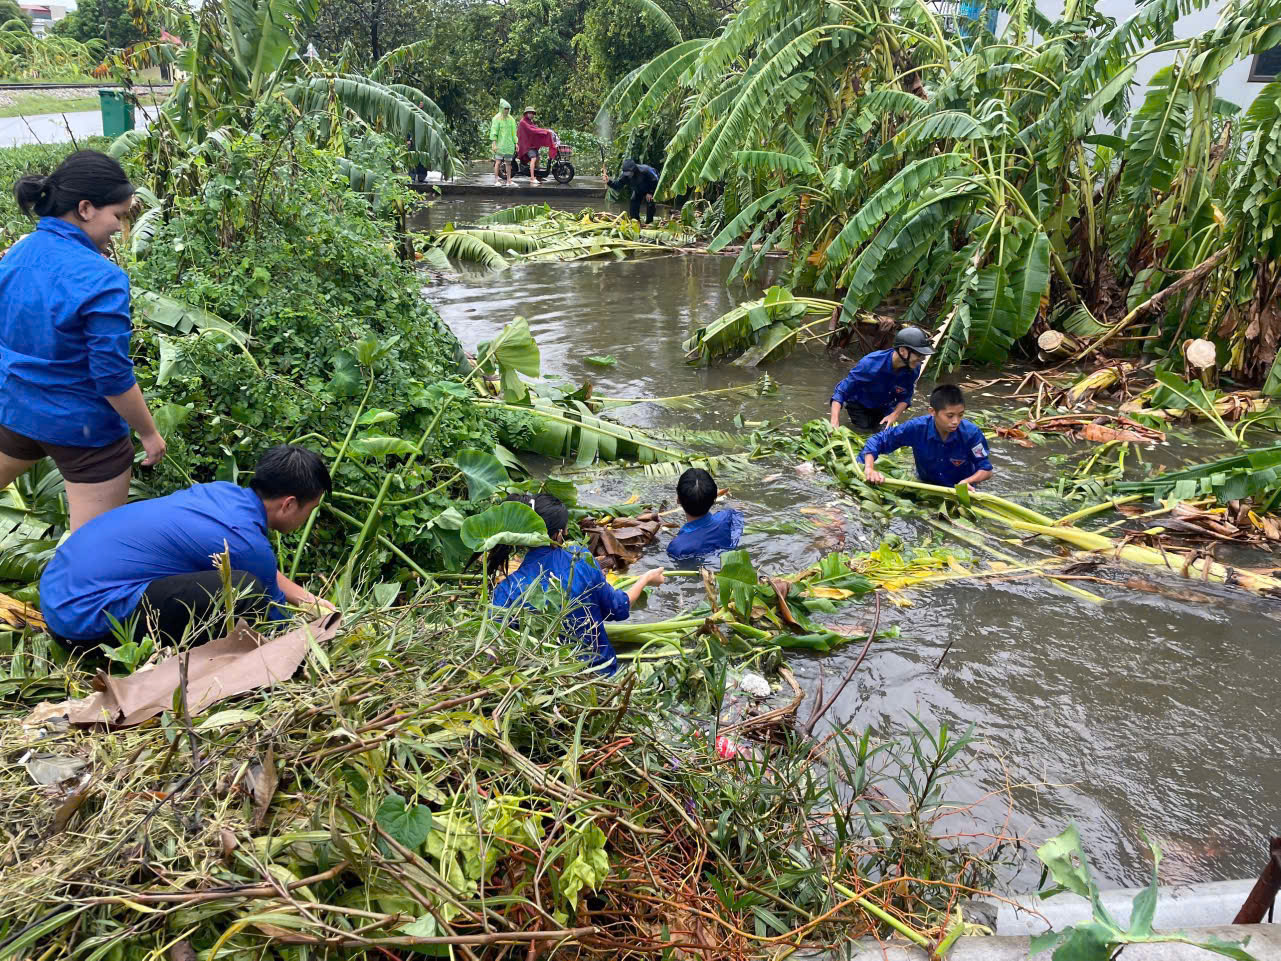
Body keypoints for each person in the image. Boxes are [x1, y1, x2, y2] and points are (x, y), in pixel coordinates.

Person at [0, 150, 166, 530]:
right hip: (83, 432)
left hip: (15, 410)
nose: (120, 228)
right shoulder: (101, 278)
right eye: (119, 216)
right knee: (91, 554)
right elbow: (111, 377)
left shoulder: (18, 252)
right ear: (87, 208)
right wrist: (148, 433)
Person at [39, 445, 333, 650]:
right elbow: (275, 621)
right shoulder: (246, 544)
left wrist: (310, 601)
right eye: (312, 508)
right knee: (246, 592)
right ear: (289, 504)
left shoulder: (221, 494)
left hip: (58, 595)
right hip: (81, 629)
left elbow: (260, 566)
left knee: (240, 580)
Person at [491, 494, 665, 675]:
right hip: (600, 674)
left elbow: (495, 650)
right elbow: (617, 608)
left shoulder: (506, 590)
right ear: (560, 533)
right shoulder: (580, 559)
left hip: (548, 684)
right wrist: (645, 579)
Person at [860, 384, 994, 489]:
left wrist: (967, 482)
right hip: (925, 485)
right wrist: (869, 469)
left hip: (961, 489)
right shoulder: (917, 428)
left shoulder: (971, 434)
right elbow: (877, 440)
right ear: (932, 412)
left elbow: (986, 469)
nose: (955, 421)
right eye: (950, 415)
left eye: (960, 415)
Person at [829, 326, 932, 432]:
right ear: (902, 351)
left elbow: (906, 396)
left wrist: (894, 415)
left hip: (884, 406)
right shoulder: (870, 363)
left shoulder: (914, 368)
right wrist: (834, 421)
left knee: (884, 435)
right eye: (919, 354)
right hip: (859, 404)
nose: (923, 359)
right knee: (864, 430)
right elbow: (841, 392)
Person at [668, 468, 744, 561]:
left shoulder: (677, 548)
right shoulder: (728, 517)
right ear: (715, 499)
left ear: (678, 499)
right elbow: (737, 510)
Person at [604, 158, 659, 224]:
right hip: (638, 189)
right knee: (633, 203)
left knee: (650, 202)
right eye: (626, 173)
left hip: (650, 187)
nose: (628, 175)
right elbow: (618, 186)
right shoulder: (624, 176)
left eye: (629, 172)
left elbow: (656, 180)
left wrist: (650, 192)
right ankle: (636, 222)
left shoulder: (645, 170)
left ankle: (649, 222)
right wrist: (608, 182)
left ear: (634, 169)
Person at [516, 107, 556, 187]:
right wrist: (545, 131)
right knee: (533, 158)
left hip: (530, 144)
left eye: (532, 113)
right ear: (526, 113)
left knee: (538, 158)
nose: (531, 115)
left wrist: (546, 131)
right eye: (530, 113)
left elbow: (535, 129)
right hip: (526, 145)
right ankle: (532, 178)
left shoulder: (530, 122)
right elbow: (532, 130)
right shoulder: (523, 122)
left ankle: (538, 175)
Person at [488, 99, 517, 186]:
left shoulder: (511, 119)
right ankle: (496, 180)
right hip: (499, 145)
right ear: (501, 108)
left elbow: (513, 132)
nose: (507, 110)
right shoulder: (496, 119)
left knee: (508, 163)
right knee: (498, 161)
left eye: (508, 109)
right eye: (505, 108)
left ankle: (509, 181)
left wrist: (516, 143)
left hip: (509, 145)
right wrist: (494, 143)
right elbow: (494, 131)